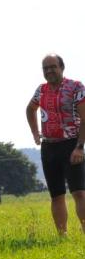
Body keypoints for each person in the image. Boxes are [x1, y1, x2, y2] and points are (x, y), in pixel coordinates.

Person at [26, 53, 85, 235]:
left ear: (61, 67)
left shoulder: (76, 87)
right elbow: (30, 109)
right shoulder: (41, 90)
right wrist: (35, 133)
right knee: (56, 195)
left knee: (79, 193)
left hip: (71, 145)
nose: (49, 71)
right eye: (45, 68)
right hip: (49, 147)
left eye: (53, 67)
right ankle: (62, 237)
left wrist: (79, 147)